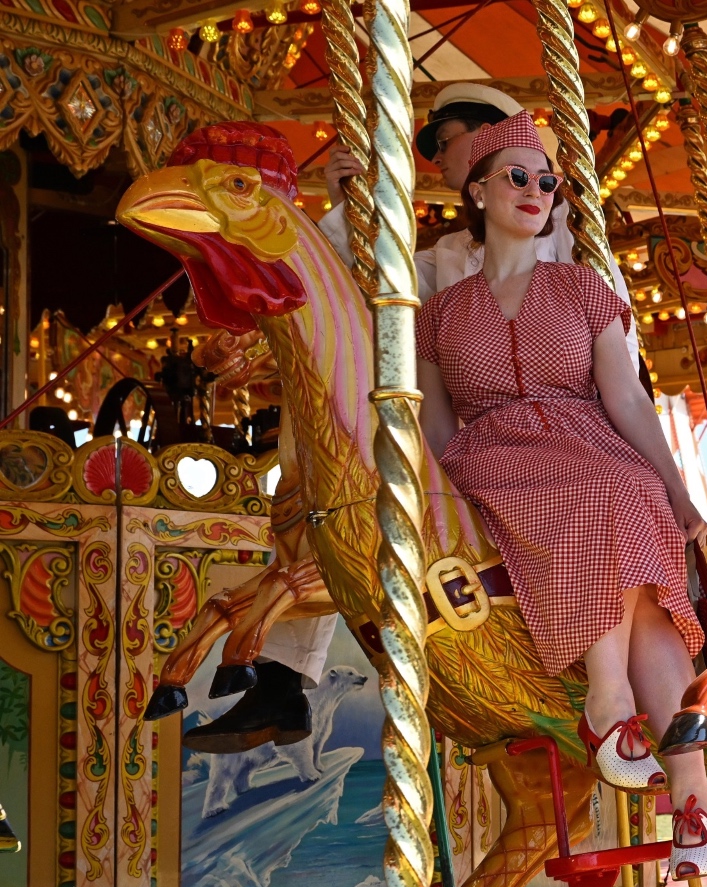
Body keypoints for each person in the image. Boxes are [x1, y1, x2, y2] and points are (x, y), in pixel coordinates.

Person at [183, 84, 644, 755]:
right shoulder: (444, 255)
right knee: (323, 457)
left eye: (448, 140)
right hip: (468, 434)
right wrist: (347, 210)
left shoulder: (563, 240)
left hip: (556, 438)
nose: (436, 158)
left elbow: (606, 355)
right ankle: (284, 674)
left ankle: (613, 684)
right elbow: (349, 296)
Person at [411, 112, 707, 878]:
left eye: (547, 181)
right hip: (495, 455)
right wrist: (456, 490)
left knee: (644, 553)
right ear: (477, 190)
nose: (536, 190)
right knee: (604, 493)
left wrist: (677, 487)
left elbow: (629, 399)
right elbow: (437, 418)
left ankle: (690, 793)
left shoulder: (584, 287)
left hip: (591, 445)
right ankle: (612, 707)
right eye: (518, 176)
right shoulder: (443, 313)